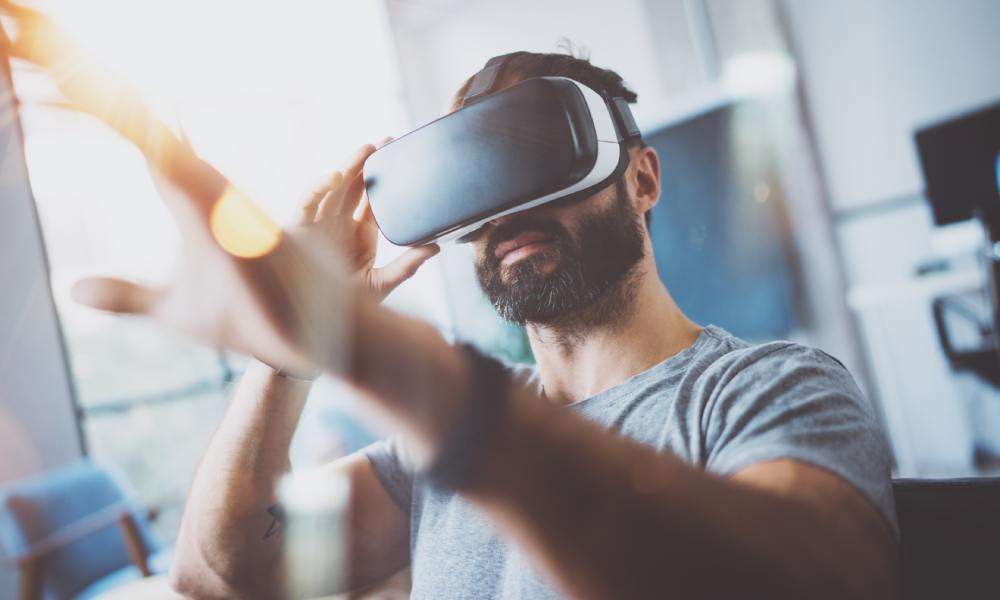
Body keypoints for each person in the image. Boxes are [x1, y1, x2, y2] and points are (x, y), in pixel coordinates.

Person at [3, 6, 898, 597]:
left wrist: (392, 361)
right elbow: (220, 574)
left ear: (643, 179)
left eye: (537, 156)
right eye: (478, 181)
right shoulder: (422, 464)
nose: (507, 208)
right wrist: (289, 351)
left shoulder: (763, 392)